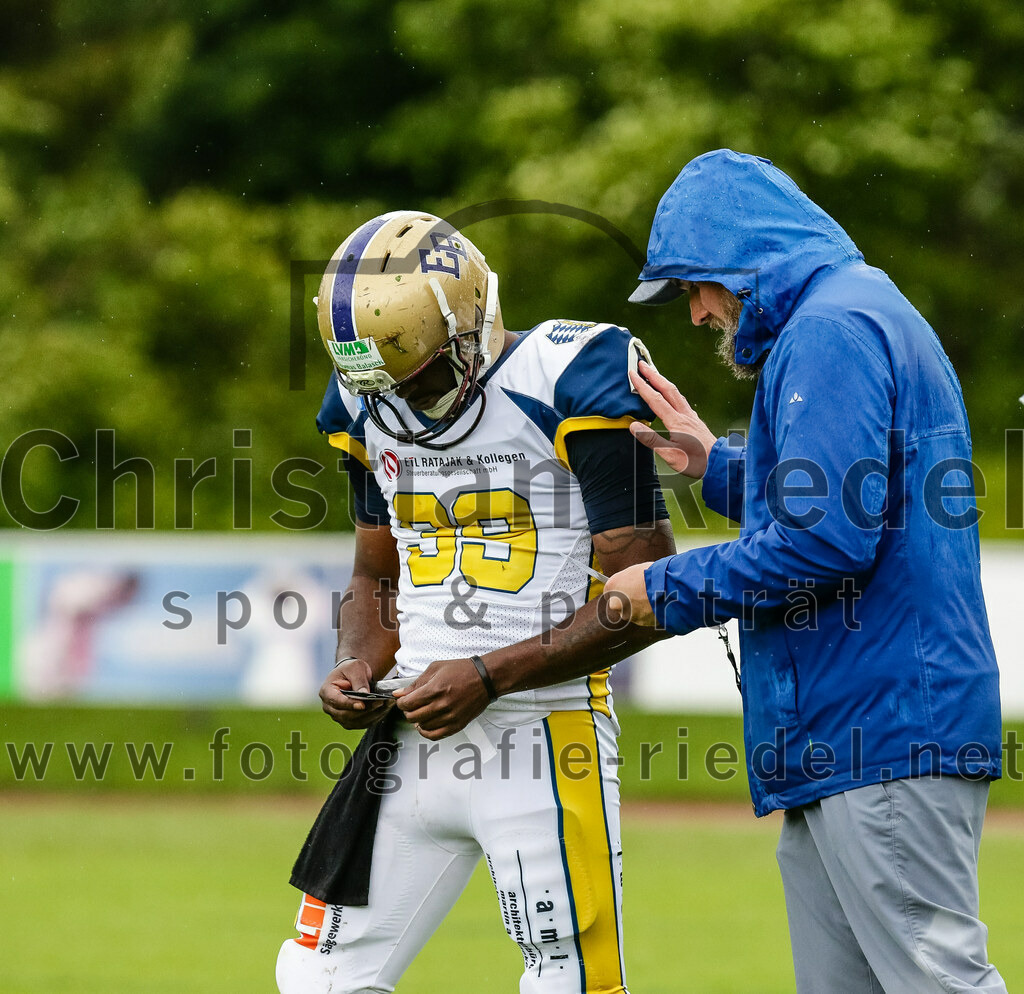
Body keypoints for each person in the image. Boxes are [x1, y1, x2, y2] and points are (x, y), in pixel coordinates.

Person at [604, 149, 1006, 993]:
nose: (699, 311)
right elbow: (854, 503)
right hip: (856, 733)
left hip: (882, 732)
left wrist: (662, 592)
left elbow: (824, 543)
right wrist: (714, 463)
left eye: (695, 285)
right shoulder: (852, 312)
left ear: (737, 260)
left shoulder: (828, 329)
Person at [276, 210, 675, 994]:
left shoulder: (566, 375)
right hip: (413, 731)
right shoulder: (364, 399)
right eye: (380, 383)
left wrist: (490, 673)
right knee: (316, 979)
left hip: (543, 732)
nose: (402, 400)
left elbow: (647, 590)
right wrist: (355, 664)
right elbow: (375, 576)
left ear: (469, 323)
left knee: (570, 982)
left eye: (417, 374)